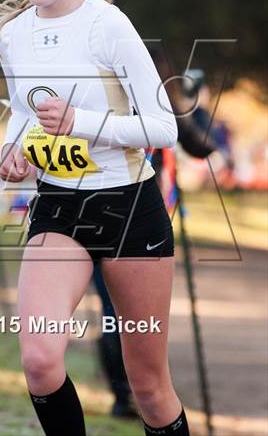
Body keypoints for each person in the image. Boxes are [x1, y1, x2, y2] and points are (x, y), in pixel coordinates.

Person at [0, 0, 190, 436]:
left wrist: (81, 122)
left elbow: (164, 128)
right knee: (40, 361)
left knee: (148, 389)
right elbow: (23, 114)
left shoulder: (107, 25)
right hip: (58, 207)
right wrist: (13, 151)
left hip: (129, 209)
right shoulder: (13, 35)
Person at [92, 46, 218, 422]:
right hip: (142, 218)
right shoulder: (163, 108)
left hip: (92, 211)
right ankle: (136, 389)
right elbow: (203, 147)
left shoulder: (102, 103)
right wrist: (196, 105)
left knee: (112, 310)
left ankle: (122, 393)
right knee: (135, 313)